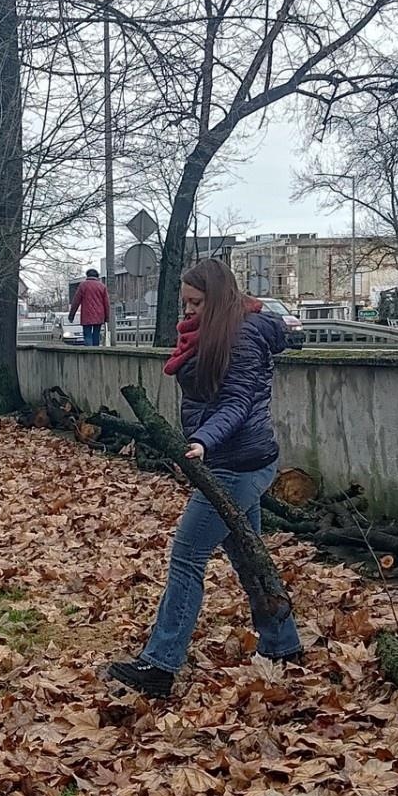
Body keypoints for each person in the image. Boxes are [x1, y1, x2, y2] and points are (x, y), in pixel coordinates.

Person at [106, 258, 302, 698]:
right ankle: (283, 644)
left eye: (196, 302)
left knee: (187, 556)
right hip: (230, 458)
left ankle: (160, 664)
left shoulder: (243, 336)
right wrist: (202, 446)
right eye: (185, 303)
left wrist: (202, 443)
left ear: (218, 298)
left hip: (239, 464)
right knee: (249, 556)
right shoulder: (214, 331)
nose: (188, 310)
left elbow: (236, 403)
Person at [69, 268, 110, 346]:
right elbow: (106, 303)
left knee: (87, 335)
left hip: (86, 315)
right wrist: (107, 318)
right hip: (99, 316)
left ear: (87, 275)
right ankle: (96, 350)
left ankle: (88, 350)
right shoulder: (102, 286)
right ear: (97, 276)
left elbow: (76, 301)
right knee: (96, 334)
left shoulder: (83, 285)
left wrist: (71, 315)